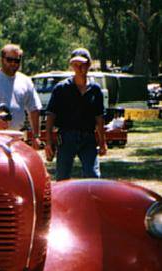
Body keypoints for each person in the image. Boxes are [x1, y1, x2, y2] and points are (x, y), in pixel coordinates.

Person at [45, 48, 107, 181]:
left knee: (93, 176)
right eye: (75, 64)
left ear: (89, 65)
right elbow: (50, 116)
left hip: (88, 138)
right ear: (71, 65)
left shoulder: (95, 90)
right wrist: (49, 142)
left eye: (82, 64)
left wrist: (102, 142)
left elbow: (99, 118)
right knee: (62, 177)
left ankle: (90, 201)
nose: (79, 68)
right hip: (66, 137)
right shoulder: (61, 89)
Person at [0, 44, 42, 148]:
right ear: (2, 60)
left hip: (18, 137)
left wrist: (36, 136)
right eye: (9, 60)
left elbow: (34, 109)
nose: (13, 63)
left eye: (17, 61)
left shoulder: (25, 81)